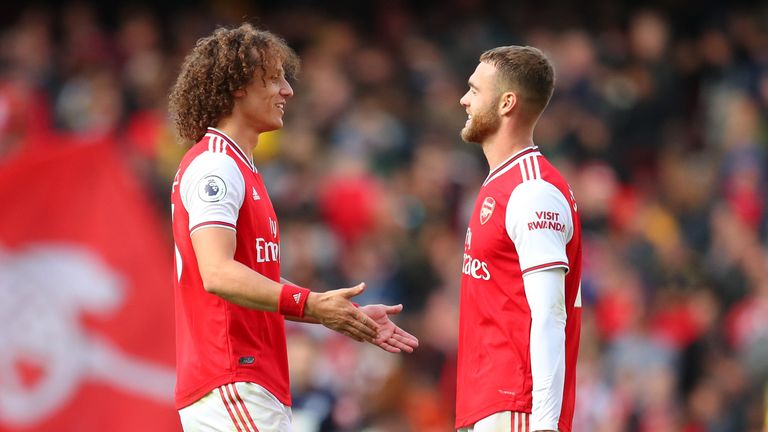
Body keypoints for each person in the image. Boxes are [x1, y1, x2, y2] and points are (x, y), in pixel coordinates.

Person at [167, 23, 418, 431]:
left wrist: (336, 313)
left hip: (252, 380)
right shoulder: (215, 164)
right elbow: (216, 272)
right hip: (233, 374)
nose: (288, 90)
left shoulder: (240, 167)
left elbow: (253, 276)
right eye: (275, 78)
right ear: (238, 87)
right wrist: (313, 305)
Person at [455, 46, 582, 432]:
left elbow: (550, 313)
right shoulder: (504, 184)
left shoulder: (532, 191)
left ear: (507, 102)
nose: (464, 99)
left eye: (474, 90)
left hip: (518, 410)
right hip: (489, 407)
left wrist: (543, 423)